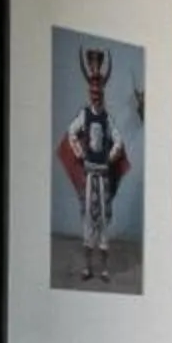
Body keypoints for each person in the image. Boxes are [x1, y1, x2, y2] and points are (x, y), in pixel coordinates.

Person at [56, 47, 133, 283]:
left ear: (103, 91)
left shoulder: (107, 118)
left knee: (104, 221)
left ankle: (105, 269)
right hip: (90, 175)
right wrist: (79, 153)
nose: (96, 93)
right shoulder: (85, 115)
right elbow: (71, 133)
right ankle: (88, 268)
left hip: (103, 176)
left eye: (99, 89)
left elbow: (118, 139)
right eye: (93, 89)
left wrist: (111, 156)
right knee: (89, 219)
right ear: (90, 92)